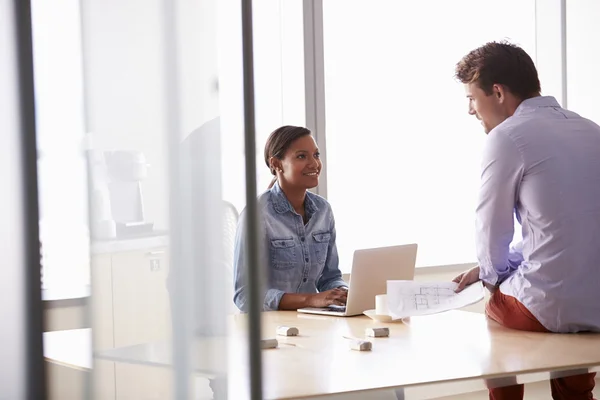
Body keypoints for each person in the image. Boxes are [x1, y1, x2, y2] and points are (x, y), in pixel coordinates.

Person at [452, 41, 600, 400]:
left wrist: (491, 276)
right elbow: (561, 228)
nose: (471, 110)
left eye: (472, 98)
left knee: (494, 308)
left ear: (498, 92)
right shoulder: (591, 130)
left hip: (551, 309)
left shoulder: (507, 137)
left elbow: (491, 229)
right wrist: (513, 263)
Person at [233, 125, 348, 312]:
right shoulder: (257, 215)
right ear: (276, 164)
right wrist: (310, 299)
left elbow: (330, 277)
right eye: (302, 156)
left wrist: (342, 293)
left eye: (316, 155)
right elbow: (245, 296)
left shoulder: (323, 210)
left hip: (313, 323)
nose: (314, 164)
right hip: (271, 328)